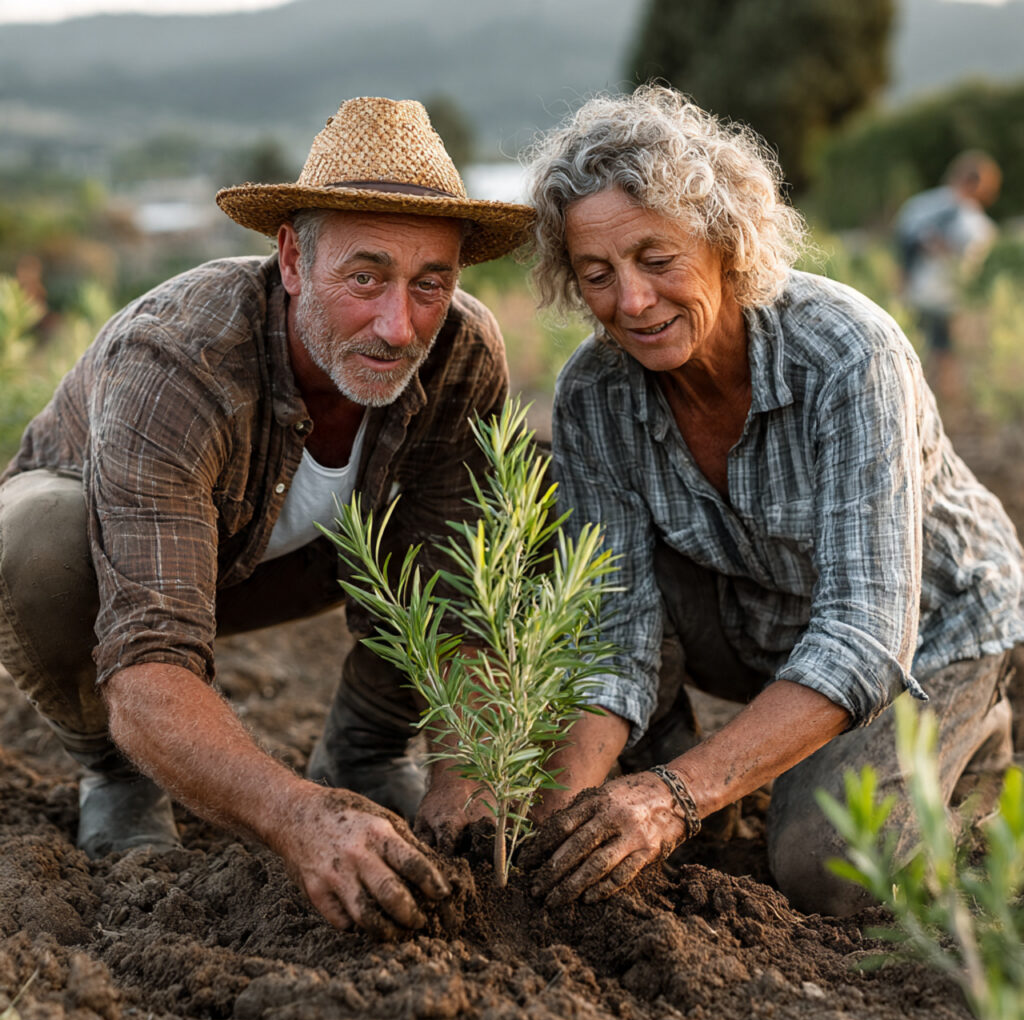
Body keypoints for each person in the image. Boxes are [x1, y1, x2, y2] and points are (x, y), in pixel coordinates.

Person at [0, 96, 533, 938]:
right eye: (365, 277)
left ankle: (366, 747)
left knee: (491, 532)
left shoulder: (462, 351)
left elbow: (455, 594)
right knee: (38, 539)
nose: (399, 325)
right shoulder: (178, 360)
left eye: (430, 284)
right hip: (118, 577)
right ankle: (115, 773)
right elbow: (147, 662)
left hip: (288, 563)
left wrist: (465, 777)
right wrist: (298, 818)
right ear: (291, 259)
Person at [518, 86, 1023, 917]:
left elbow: (864, 632)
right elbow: (615, 626)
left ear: (725, 241)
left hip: (930, 627)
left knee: (832, 867)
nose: (631, 302)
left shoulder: (846, 356)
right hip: (771, 618)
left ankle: (976, 754)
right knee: (583, 592)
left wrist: (671, 797)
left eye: (657, 258)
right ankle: (723, 781)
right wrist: (559, 804)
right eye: (597, 274)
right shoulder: (595, 394)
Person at [894, 150, 1002, 400]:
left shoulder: (919, 206)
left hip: (919, 291)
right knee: (944, 353)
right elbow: (973, 260)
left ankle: (919, 399)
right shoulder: (974, 221)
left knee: (916, 349)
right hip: (946, 295)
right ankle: (943, 403)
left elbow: (903, 249)